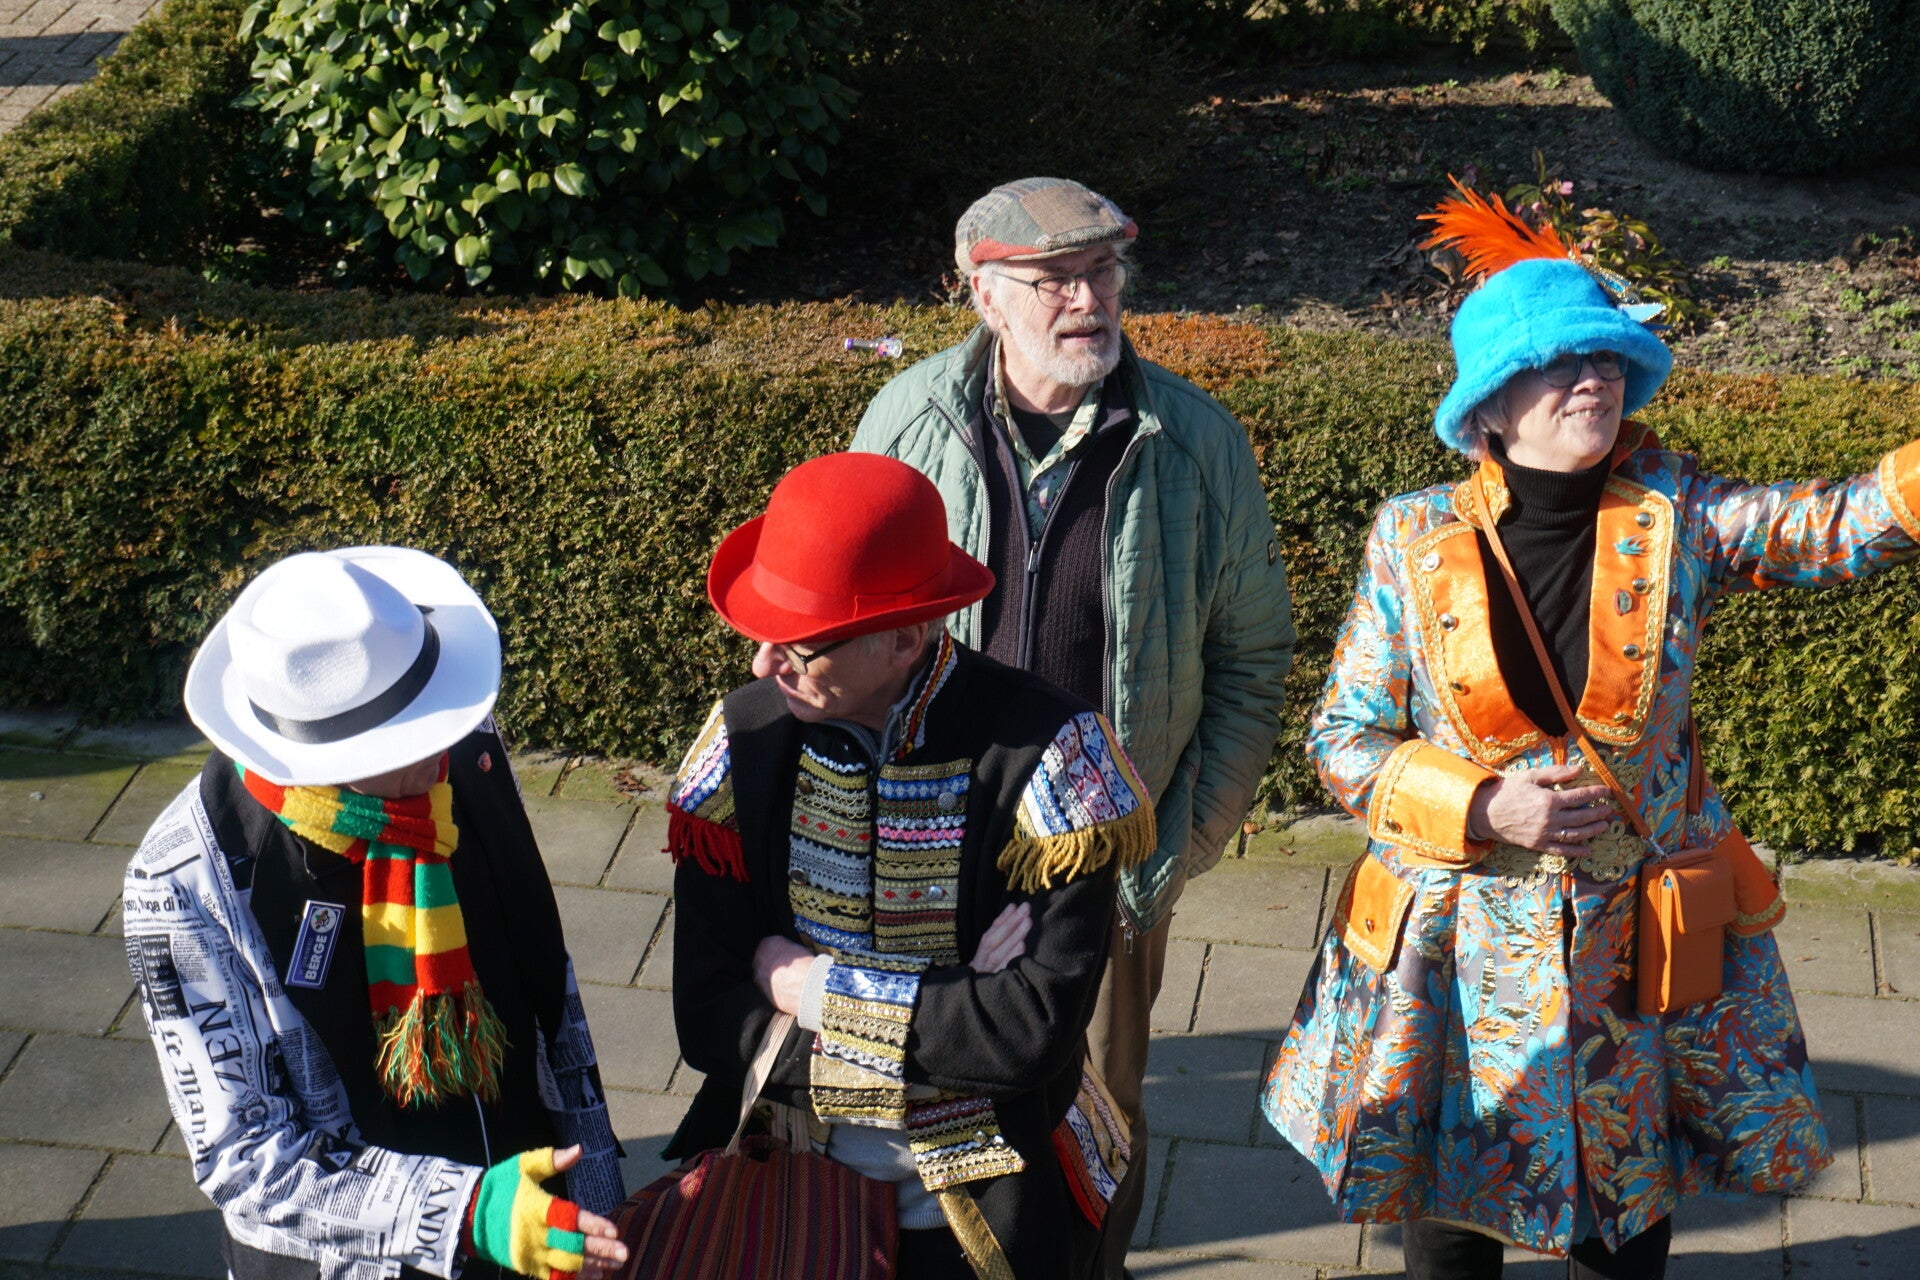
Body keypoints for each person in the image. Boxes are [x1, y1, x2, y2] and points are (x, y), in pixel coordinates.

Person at [1263, 184, 1920, 1278]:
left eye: (1608, 359)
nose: (1595, 379)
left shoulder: (1679, 510)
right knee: (1450, 1214)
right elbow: (1343, 738)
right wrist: (1484, 803)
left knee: (1628, 1205)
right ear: (1490, 408)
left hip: (1634, 935)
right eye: (1561, 363)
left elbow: (1831, 526)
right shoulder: (1410, 536)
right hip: (1462, 940)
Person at [851, 176, 1295, 1274]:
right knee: (904, 1104)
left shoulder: (1195, 440)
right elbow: (842, 623)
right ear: (984, 296)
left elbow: (1251, 660)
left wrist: (1173, 846)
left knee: (1096, 1119)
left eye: (1102, 272)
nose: (1089, 300)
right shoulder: (906, 420)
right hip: (923, 847)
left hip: (1105, 864)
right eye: (1054, 280)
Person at [663, 452, 1152, 1279]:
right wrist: (952, 1013)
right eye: (761, 637)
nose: (762, 667)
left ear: (904, 638)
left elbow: (1030, 1035)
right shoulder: (744, 741)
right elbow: (709, 1018)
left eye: (800, 646)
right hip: (786, 1194)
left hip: (991, 1207)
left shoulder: (1056, 755)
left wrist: (809, 989)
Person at [124, 547, 629, 1280]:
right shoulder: (183, 878)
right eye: (407, 739)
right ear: (320, 761)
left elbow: (547, 990)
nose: (440, 745)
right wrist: (466, 1213)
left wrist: (597, 1190)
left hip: (533, 1212)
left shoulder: (462, 745)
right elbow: (245, 1158)